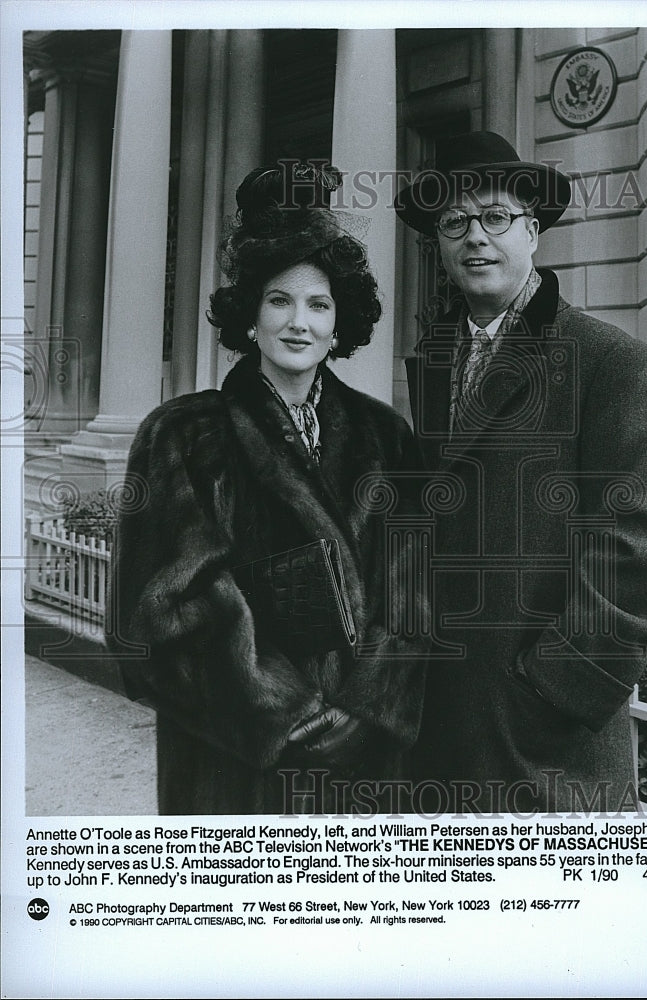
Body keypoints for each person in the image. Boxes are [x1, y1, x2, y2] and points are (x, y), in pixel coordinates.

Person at [108, 162, 426, 815]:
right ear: (249, 317)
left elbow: (416, 598)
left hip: (365, 773)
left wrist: (367, 708)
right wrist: (290, 715)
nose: (298, 322)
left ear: (340, 326)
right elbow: (157, 616)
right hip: (236, 772)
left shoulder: (388, 438)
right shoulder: (184, 435)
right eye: (278, 300)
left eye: (319, 303)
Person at [394, 131, 647, 813]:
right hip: (441, 739)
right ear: (438, 244)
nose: (476, 238)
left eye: (496, 217)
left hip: (547, 754)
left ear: (534, 231)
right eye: (454, 222)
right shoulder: (437, 358)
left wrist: (551, 688)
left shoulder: (610, 361)